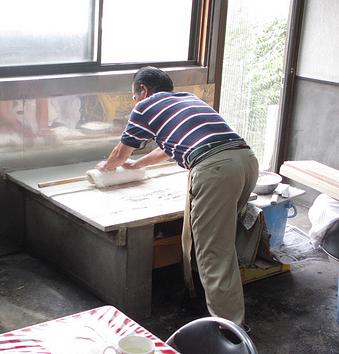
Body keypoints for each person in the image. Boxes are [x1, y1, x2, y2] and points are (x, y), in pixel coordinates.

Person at [95, 66, 259, 328]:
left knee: (214, 253)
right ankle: (199, 297)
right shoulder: (187, 100)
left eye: (134, 96)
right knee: (199, 235)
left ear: (143, 90)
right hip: (245, 160)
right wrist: (140, 165)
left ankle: (231, 331)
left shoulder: (145, 106)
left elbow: (119, 152)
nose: (135, 102)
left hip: (214, 168)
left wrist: (105, 168)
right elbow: (171, 145)